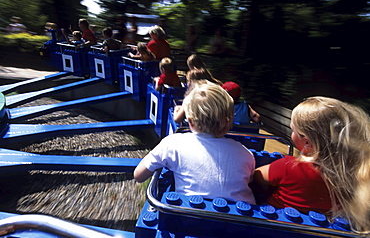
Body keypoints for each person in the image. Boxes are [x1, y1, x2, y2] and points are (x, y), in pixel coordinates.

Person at [254, 96, 370, 233]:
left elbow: (256, 175)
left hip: (273, 227)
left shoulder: (288, 167)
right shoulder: (357, 174)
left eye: (293, 130)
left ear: (307, 143)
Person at [134, 80, 256, 204]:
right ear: (229, 122)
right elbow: (249, 180)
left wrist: (156, 154)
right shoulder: (245, 153)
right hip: (241, 219)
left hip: (189, 217)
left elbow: (139, 175)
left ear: (190, 122)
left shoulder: (173, 143)